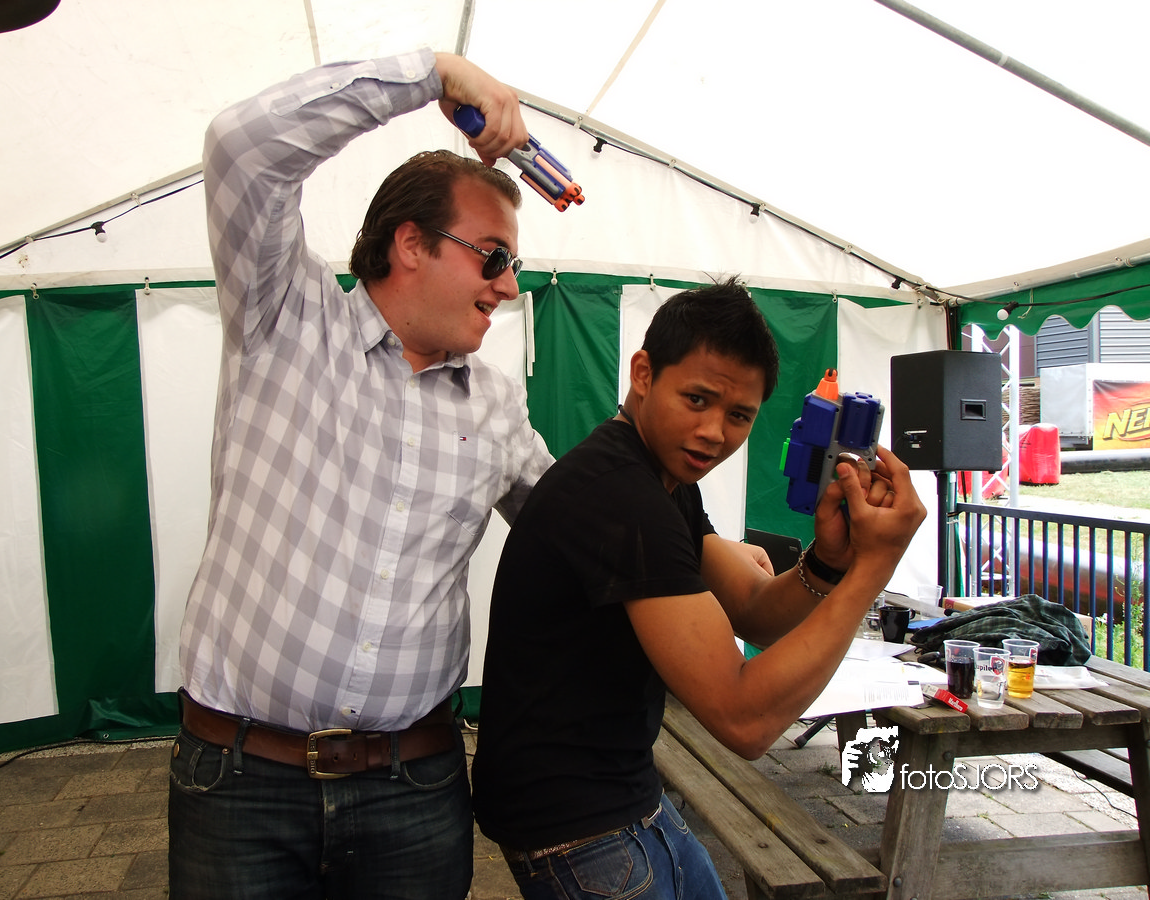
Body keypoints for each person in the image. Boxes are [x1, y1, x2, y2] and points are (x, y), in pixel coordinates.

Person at [168, 49, 554, 900]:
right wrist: (434, 73)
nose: (508, 287)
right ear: (411, 243)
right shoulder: (285, 317)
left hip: (411, 788)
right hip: (241, 784)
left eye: (513, 265)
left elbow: (578, 528)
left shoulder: (497, 405)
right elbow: (241, 147)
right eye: (493, 257)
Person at [472, 280, 926, 900]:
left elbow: (754, 610)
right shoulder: (621, 495)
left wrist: (829, 564)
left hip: (625, 797)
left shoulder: (664, 481)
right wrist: (875, 565)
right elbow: (745, 720)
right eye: (697, 399)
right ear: (643, 374)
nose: (714, 432)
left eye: (739, 415)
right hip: (578, 830)